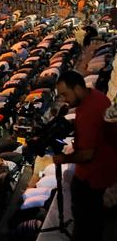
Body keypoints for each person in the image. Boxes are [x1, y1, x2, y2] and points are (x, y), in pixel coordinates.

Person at [54, 71, 117, 241]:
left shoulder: (89, 112)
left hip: (93, 176)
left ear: (77, 88)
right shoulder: (96, 96)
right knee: (94, 220)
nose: (64, 99)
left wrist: (63, 159)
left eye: (65, 94)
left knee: (85, 224)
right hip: (104, 169)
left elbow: (87, 155)